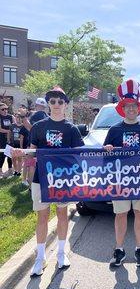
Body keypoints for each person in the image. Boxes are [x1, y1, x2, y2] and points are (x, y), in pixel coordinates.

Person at [13, 86, 84, 277]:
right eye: (52, 101)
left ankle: (61, 253)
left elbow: (80, 156)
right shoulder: (38, 127)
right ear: (48, 104)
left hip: (62, 180)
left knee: (62, 214)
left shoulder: (72, 129)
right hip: (41, 179)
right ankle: (41, 257)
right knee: (42, 216)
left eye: (60, 101)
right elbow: (32, 151)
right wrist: (21, 154)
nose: (56, 104)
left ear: (66, 104)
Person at [103, 79, 140, 268]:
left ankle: (139, 249)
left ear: (139, 108)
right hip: (120, 181)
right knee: (121, 214)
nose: (131, 109)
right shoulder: (114, 130)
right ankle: (119, 250)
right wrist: (108, 149)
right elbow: (105, 160)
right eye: (128, 106)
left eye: (134, 106)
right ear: (123, 108)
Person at [0, 102, 14, 178]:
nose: (5, 110)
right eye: (3, 109)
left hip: (10, 139)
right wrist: (8, 131)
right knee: (1, 155)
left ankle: (10, 170)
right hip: (1, 139)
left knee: (9, 154)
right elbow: (0, 129)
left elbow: (15, 125)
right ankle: (0, 170)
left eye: (6, 109)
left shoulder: (11, 117)